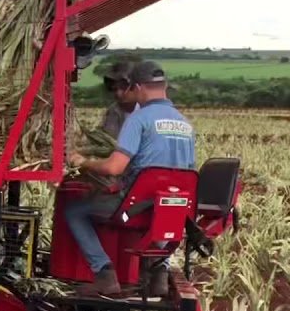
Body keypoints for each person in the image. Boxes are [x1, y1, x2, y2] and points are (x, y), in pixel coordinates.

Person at [63, 61, 196, 296]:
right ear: (164, 87)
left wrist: (83, 162)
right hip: (170, 211)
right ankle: (159, 276)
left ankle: (105, 275)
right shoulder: (185, 125)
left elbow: (115, 167)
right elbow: (185, 174)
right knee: (166, 203)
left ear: (137, 88)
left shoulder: (140, 119)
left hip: (134, 210)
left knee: (74, 211)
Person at [96, 58, 139, 138]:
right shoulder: (113, 112)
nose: (118, 93)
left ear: (135, 86)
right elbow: (108, 139)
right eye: (114, 89)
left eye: (123, 88)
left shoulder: (152, 112)